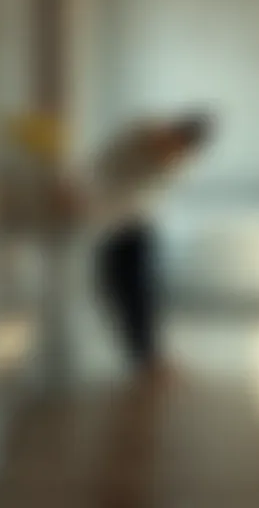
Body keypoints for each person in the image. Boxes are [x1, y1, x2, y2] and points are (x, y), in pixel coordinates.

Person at [91, 115, 213, 380]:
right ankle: (146, 357)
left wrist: (160, 154)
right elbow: (103, 170)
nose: (170, 147)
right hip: (114, 226)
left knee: (139, 294)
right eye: (172, 140)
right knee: (118, 291)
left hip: (135, 226)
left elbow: (135, 193)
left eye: (178, 146)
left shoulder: (171, 163)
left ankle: (150, 358)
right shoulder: (137, 136)